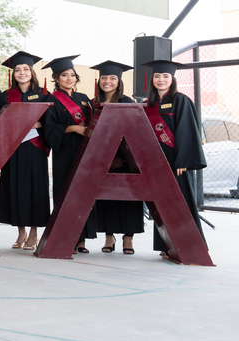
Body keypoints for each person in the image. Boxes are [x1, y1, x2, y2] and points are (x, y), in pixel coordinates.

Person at [143, 59, 208, 259]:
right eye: (157, 76)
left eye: (165, 76)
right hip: (156, 163)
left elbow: (188, 132)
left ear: (172, 79)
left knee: (181, 204)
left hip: (176, 162)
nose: (161, 80)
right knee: (162, 203)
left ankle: (191, 248)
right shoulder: (149, 105)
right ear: (151, 80)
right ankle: (168, 246)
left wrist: (183, 161)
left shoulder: (181, 100)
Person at [0, 51, 49, 250]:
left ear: (31, 71)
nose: (21, 73)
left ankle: (34, 232)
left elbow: (50, 120)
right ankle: (20, 232)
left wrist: (39, 124)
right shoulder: (7, 96)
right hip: (14, 148)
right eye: (18, 70)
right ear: (13, 74)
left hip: (35, 148)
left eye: (25, 69)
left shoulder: (43, 94)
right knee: (15, 189)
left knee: (34, 189)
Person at [43, 55, 95, 254]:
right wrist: (73, 128)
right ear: (57, 78)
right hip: (64, 152)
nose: (69, 78)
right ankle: (66, 236)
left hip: (85, 151)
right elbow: (49, 128)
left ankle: (82, 239)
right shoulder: (51, 99)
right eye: (64, 75)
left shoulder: (83, 99)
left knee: (84, 192)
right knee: (66, 193)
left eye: (72, 75)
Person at [91, 60, 144, 255]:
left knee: (129, 198)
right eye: (104, 77)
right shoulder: (93, 102)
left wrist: (121, 157)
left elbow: (134, 134)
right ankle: (108, 236)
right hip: (101, 159)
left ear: (119, 81)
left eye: (112, 78)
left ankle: (128, 238)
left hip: (125, 159)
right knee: (106, 199)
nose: (107, 81)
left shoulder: (127, 102)